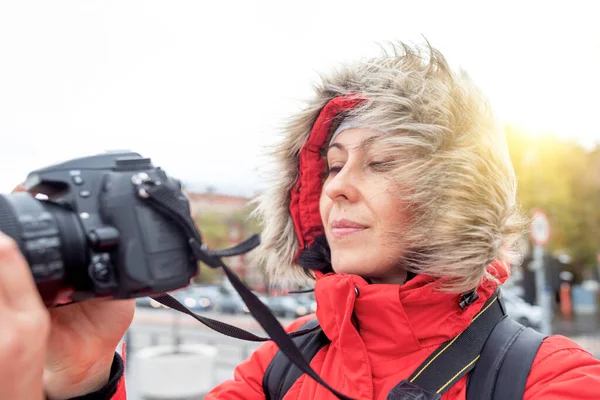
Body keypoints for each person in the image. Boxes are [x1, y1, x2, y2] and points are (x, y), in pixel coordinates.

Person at [1, 42, 599, 400]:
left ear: (456, 194)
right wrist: (78, 377)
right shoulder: (280, 365)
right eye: (333, 166)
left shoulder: (549, 378)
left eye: (382, 162)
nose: (337, 187)